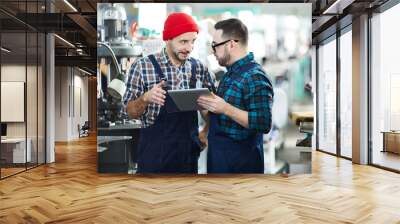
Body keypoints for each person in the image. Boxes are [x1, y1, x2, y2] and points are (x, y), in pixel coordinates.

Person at [123, 12, 215, 174]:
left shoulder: (199, 69)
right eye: (183, 42)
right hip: (153, 158)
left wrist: (206, 130)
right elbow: (130, 112)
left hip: (188, 158)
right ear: (168, 39)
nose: (189, 48)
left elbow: (213, 109)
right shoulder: (143, 67)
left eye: (193, 41)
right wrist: (145, 98)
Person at [197, 18, 274, 173]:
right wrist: (205, 108)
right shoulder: (229, 75)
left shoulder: (255, 76)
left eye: (215, 46)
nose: (213, 52)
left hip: (242, 163)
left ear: (231, 44)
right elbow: (222, 119)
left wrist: (225, 108)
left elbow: (263, 123)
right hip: (219, 160)